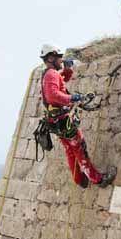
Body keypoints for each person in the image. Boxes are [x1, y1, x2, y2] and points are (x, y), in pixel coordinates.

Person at [39, 44, 116, 189]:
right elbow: (53, 95)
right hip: (63, 120)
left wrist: (67, 71)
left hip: (56, 121)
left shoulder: (48, 74)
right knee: (79, 147)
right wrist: (73, 98)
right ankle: (98, 179)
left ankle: (78, 178)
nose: (61, 61)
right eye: (59, 58)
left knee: (71, 149)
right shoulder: (51, 74)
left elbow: (60, 83)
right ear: (51, 58)